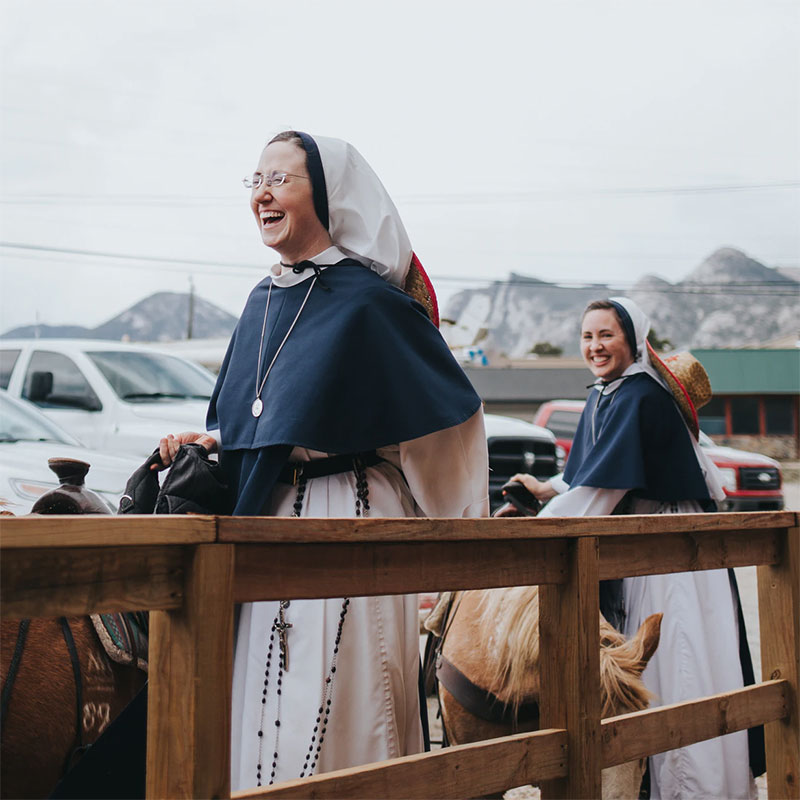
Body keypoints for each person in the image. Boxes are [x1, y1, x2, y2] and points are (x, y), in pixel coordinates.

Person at [156, 131, 488, 791]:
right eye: (255, 179)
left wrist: (448, 532)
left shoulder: (370, 305)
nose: (262, 192)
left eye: (281, 178)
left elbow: (448, 423)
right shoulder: (261, 300)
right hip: (267, 521)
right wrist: (217, 447)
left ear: (328, 196)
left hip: (351, 518)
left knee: (342, 704)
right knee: (267, 705)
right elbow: (261, 413)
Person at [505, 297, 757, 799]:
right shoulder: (608, 394)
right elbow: (589, 474)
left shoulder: (640, 395)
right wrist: (547, 490)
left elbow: (602, 491)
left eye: (606, 335)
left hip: (669, 551)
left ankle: (691, 788)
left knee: (677, 662)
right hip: (641, 541)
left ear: (633, 340)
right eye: (587, 337)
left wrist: (540, 527)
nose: (595, 346)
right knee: (650, 664)